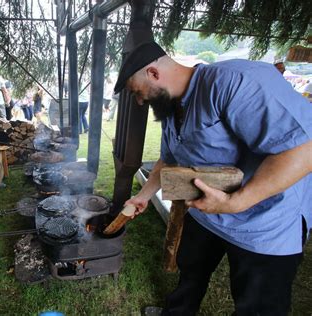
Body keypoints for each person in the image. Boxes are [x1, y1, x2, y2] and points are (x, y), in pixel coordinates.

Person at [114, 41, 312, 315]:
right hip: (207, 212)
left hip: (265, 223)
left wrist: (237, 202)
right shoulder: (172, 108)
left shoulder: (235, 82)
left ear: (154, 73)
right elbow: (169, 159)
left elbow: (304, 149)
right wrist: (143, 196)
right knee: (191, 273)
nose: (139, 101)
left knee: (258, 306)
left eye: (137, 92)